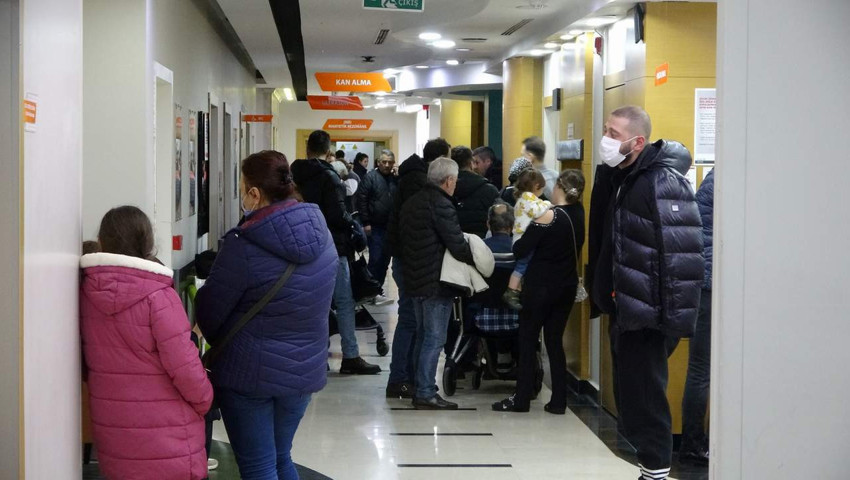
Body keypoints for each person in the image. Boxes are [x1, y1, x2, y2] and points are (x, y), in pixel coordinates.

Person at [195, 150, 337, 479]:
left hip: (248, 375)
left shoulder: (242, 245)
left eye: (242, 188)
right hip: (303, 372)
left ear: (255, 193)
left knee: (259, 465)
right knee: (281, 457)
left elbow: (210, 314)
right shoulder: (324, 236)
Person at [589, 105, 704, 480]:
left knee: (646, 397)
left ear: (637, 142)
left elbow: (681, 257)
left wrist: (671, 321)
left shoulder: (662, 182)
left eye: (614, 134)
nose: (607, 139)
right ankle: (649, 467)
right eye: (606, 130)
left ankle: (655, 471)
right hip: (627, 306)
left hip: (650, 313)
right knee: (632, 398)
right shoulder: (624, 177)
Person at [80, 206, 213, 480]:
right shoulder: (158, 297)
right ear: (148, 243)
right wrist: (205, 400)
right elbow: (185, 366)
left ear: (103, 242)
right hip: (168, 434)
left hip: (115, 431)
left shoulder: (85, 294)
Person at [492, 169, 585, 414]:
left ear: (559, 189)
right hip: (566, 287)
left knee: (527, 339)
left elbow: (521, 249)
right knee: (555, 341)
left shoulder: (549, 217)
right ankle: (559, 401)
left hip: (540, 287)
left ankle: (521, 398)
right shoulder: (579, 214)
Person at [291, 130, 381, 375]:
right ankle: (350, 356)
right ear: (328, 151)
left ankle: (315, 357)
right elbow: (336, 215)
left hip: (301, 246)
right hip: (333, 247)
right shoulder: (330, 178)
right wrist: (353, 224)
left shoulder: (293, 175)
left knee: (312, 303)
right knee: (344, 301)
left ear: (307, 149)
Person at [399, 157, 474, 410]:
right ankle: (426, 392)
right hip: (434, 281)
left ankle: (419, 387)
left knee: (423, 336)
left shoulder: (413, 202)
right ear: (449, 180)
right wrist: (472, 252)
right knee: (434, 338)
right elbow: (456, 244)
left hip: (415, 279)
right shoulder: (441, 204)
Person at [385, 137, 451, 399]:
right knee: (411, 320)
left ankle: (407, 377)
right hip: (412, 261)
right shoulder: (418, 183)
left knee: (412, 319)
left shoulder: (411, 177)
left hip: (407, 259)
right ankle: (401, 378)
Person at [679, 168, 714, 466]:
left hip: (706, 283)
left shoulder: (714, 181)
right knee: (702, 369)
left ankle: (693, 442)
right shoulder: (728, 181)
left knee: (701, 368)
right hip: (713, 287)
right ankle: (692, 442)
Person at [502, 168, 551, 310]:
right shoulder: (528, 198)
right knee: (522, 266)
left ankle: (516, 290)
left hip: (518, 238)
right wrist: (548, 204)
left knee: (523, 266)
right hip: (523, 239)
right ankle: (511, 290)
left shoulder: (522, 198)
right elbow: (537, 211)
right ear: (536, 186)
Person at [356, 149, 397, 297]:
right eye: (384, 162)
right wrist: (366, 222)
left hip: (391, 228)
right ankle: (370, 290)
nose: (386, 165)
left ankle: (377, 289)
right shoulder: (370, 178)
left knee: (385, 261)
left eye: (390, 162)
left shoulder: (395, 179)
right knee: (375, 259)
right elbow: (361, 200)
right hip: (375, 226)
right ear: (378, 162)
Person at [452, 145, 500, 238]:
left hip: (452, 240)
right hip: (482, 240)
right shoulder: (489, 189)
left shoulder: (445, 188)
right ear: (471, 164)